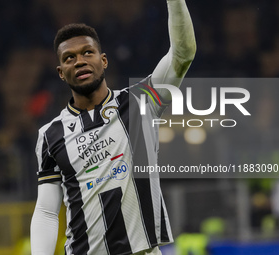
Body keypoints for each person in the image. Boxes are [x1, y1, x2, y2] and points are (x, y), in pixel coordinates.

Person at [30, 0, 196, 254]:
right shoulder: (51, 135)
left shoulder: (142, 101)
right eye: (69, 58)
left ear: (103, 60)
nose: (79, 61)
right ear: (61, 72)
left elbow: (182, 53)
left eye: (88, 52)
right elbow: (46, 211)